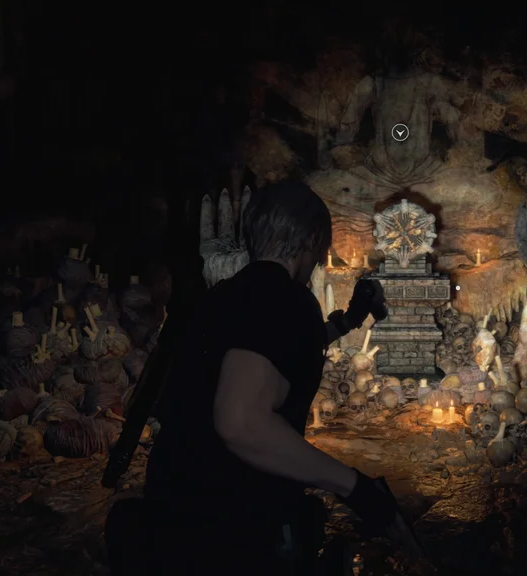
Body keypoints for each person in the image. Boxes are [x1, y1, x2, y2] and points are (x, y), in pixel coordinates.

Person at [138, 180, 401, 574]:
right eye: (321, 250)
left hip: (170, 514)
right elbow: (241, 422)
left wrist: (346, 322)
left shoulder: (221, 297)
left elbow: (268, 348)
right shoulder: (286, 299)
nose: (319, 262)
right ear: (311, 239)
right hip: (232, 533)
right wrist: (354, 487)